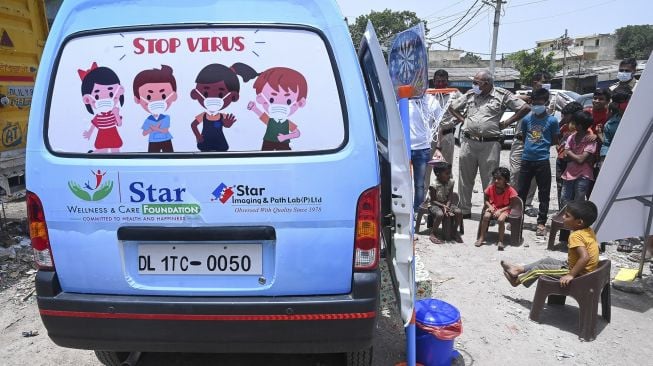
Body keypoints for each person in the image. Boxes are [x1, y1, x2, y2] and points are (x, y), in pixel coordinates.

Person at [448, 70, 530, 218]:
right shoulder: (471, 94)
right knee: (465, 178)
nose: (474, 85)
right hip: (468, 141)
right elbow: (452, 107)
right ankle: (465, 210)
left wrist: (507, 122)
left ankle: (489, 212)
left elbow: (524, 108)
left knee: (490, 180)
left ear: (487, 83)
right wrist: (463, 120)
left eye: (477, 83)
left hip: (490, 144)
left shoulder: (501, 94)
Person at [501, 200, 600, 288]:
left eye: (567, 216)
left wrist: (571, 275)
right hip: (577, 269)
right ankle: (518, 269)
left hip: (578, 273)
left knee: (538, 269)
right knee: (546, 260)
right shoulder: (588, 231)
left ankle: (517, 281)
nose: (563, 217)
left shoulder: (576, 236)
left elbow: (585, 257)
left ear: (579, 222)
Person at [518, 87, 559, 236]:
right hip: (526, 159)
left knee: (544, 193)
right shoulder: (527, 119)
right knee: (521, 191)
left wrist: (542, 146)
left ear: (546, 102)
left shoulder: (552, 121)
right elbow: (524, 137)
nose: (536, 104)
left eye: (540, 102)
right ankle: (517, 219)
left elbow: (555, 140)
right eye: (534, 102)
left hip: (542, 160)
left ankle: (541, 222)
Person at [510, 71, 551, 218]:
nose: (545, 83)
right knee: (515, 173)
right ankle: (514, 202)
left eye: (546, 81)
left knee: (533, 177)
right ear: (535, 82)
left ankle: (526, 204)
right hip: (520, 141)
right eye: (542, 81)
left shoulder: (550, 99)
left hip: (537, 142)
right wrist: (528, 98)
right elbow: (510, 98)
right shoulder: (525, 98)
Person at [410, 92, 442, 214]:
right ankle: (403, 210)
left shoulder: (432, 101)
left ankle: (418, 211)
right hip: (403, 148)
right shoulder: (402, 100)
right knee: (402, 182)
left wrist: (439, 145)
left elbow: (439, 124)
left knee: (419, 184)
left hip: (422, 148)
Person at [133, 65, 178, 152]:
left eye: (163, 95)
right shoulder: (148, 119)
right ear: (137, 99)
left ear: (173, 96)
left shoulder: (166, 118)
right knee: (152, 160)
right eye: (149, 96)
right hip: (153, 141)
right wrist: (153, 128)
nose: (156, 101)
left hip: (166, 140)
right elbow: (144, 133)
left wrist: (153, 128)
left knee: (170, 159)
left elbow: (165, 131)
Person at [475, 167, 518, 250]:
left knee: (501, 220)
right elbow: (486, 200)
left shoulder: (510, 190)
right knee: (486, 216)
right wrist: (490, 206)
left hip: (505, 209)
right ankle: (481, 237)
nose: (496, 181)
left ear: (505, 180)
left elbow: (511, 205)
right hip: (493, 207)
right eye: (495, 178)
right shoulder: (491, 188)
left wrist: (500, 211)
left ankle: (500, 241)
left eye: (499, 179)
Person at [560, 111, 597, 207]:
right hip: (569, 173)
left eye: (574, 123)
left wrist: (568, 151)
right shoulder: (571, 137)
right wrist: (572, 154)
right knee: (564, 199)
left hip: (583, 174)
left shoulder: (590, 140)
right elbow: (566, 157)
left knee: (579, 200)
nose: (571, 125)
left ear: (579, 126)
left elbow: (581, 160)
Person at [427, 158, 463, 244]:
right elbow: (433, 200)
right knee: (440, 214)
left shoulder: (451, 182)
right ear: (438, 174)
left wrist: (447, 206)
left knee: (458, 212)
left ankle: (454, 231)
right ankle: (433, 233)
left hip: (447, 203)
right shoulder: (433, 185)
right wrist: (443, 206)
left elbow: (450, 197)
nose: (449, 175)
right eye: (447, 173)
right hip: (434, 204)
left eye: (449, 173)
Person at [556, 102, 584, 207]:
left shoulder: (580, 128)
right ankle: (561, 210)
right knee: (560, 184)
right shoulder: (564, 126)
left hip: (571, 160)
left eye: (566, 115)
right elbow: (557, 136)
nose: (564, 117)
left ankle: (571, 210)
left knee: (571, 186)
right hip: (561, 158)